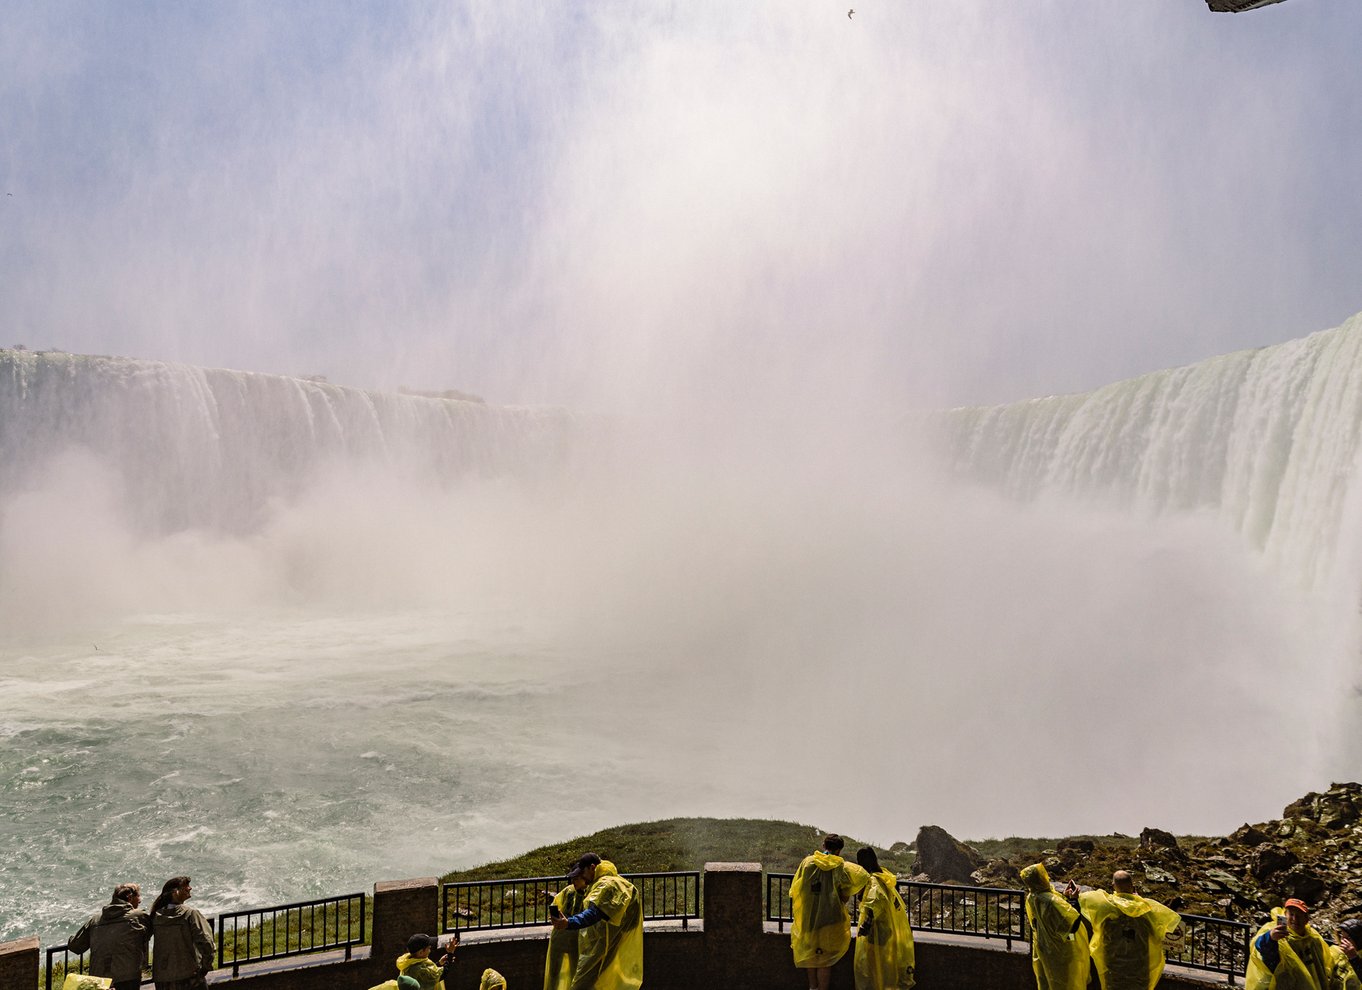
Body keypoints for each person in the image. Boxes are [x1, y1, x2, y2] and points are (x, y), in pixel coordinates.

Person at [549, 852, 643, 990]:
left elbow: (594, 913)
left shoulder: (607, 884)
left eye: (583, 872)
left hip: (601, 946)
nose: (583, 877)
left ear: (592, 867)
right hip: (605, 942)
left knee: (581, 985)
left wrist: (569, 923)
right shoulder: (614, 882)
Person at [1076, 870, 1181, 990]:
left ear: (1113, 886)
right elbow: (1160, 929)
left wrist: (1073, 896)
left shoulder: (1105, 906)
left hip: (1113, 964)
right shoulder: (1147, 909)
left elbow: (1085, 899)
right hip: (1140, 965)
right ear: (1133, 887)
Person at [790, 833, 855, 990]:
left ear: (823, 845)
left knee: (811, 955)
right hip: (832, 918)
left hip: (809, 917)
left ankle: (813, 987)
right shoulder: (839, 866)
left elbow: (796, 890)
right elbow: (844, 895)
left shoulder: (807, 863)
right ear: (839, 850)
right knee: (825, 959)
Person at [1245, 899, 1357, 990]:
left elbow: (1322, 968)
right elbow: (1262, 954)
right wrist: (1270, 938)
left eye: (1299, 915)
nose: (1295, 919)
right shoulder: (1275, 933)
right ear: (1285, 915)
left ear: (1306, 919)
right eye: (1291, 914)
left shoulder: (1313, 938)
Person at [67, 883, 151, 990]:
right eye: (138, 896)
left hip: (99, 978)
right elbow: (148, 934)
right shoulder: (139, 917)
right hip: (127, 977)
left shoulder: (95, 920)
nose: (140, 901)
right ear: (130, 897)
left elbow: (75, 946)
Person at [1020, 864, 1090, 990]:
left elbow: (1052, 917)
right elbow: (1071, 925)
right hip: (1061, 950)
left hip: (1044, 949)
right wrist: (1073, 900)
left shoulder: (1032, 897)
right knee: (1066, 983)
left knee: (1048, 982)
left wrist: (1064, 897)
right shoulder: (1050, 901)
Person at [852, 847, 914, 990]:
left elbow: (873, 905)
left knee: (874, 968)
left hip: (877, 932)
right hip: (888, 928)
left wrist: (864, 927)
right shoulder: (883, 876)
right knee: (885, 966)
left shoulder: (873, 881)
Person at [149, 876, 215, 990]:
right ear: (175, 892)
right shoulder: (190, 914)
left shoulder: (155, 916)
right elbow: (206, 942)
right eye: (186, 886)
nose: (190, 888)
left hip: (163, 978)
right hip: (190, 975)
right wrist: (205, 966)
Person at [544, 872, 587, 990]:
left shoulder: (589, 895)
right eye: (572, 879)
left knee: (576, 974)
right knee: (554, 973)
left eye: (576, 879)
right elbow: (556, 903)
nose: (573, 882)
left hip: (576, 942)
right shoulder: (569, 891)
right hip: (559, 938)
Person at [1338, 919, 1362, 985]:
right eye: (1342, 936)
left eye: (1348, 938)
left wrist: (1354, 958)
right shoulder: (1337, 951)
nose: (1343, 941)